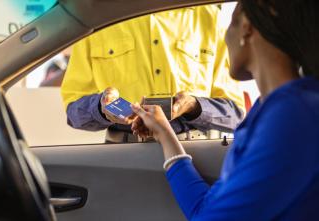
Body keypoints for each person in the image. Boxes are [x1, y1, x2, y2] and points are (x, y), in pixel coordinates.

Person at [131, 0, 319, 220]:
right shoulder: (270, 110)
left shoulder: (292, 117)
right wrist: (164, 133)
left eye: (230, 25)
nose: (224, 38)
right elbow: (205, 209)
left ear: (246, 26)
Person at [60, 5, 245, 141]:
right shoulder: (98, 20)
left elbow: (235, 115)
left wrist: (193, 106)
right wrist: (101, 108)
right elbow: (74, 113)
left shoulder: (209, 19)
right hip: (122, 161)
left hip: (196, 160)